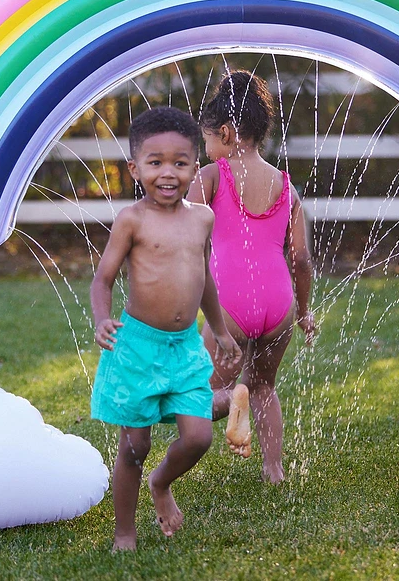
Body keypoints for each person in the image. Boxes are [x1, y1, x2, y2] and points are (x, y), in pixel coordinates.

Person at [90, 105, 242, 552]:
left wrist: (222, 330)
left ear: (196, 165)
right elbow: (102, 279)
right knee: (134, 446)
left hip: (184, 346)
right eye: (155, 163)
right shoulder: (131, 220)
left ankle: (162, 482)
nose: (168, 173)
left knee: (198, 436)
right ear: (135, 168)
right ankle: (125, 533)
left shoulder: (202, 218)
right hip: (136, 345)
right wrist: (102, 318)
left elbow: (205, 278)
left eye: (180, 162)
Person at [190, 70, 315, 484]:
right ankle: (273, 469)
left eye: (206, 140)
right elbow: (302, 260)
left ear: (225, 132)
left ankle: (230, 399)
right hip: (280, 304)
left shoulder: (211, 178)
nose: (205, 152)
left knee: (198, 398)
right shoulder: (286, 187)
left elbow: (182, 240)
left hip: (230, 305)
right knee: (265, 386)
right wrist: (304, 312)